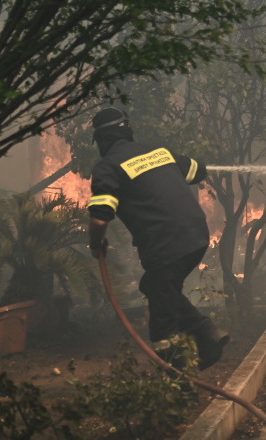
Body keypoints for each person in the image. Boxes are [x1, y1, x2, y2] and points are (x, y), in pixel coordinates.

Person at [87, 107, 229, 370]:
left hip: (166, 246)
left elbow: (99, 219)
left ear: (102, 141)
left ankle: (180, 380)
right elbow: (198, 171)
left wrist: (96, 245)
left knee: (162, 328)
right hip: (196, 235)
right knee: (156, 287)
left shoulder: (108, 167)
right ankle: (205, 332)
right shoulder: (158, 151)